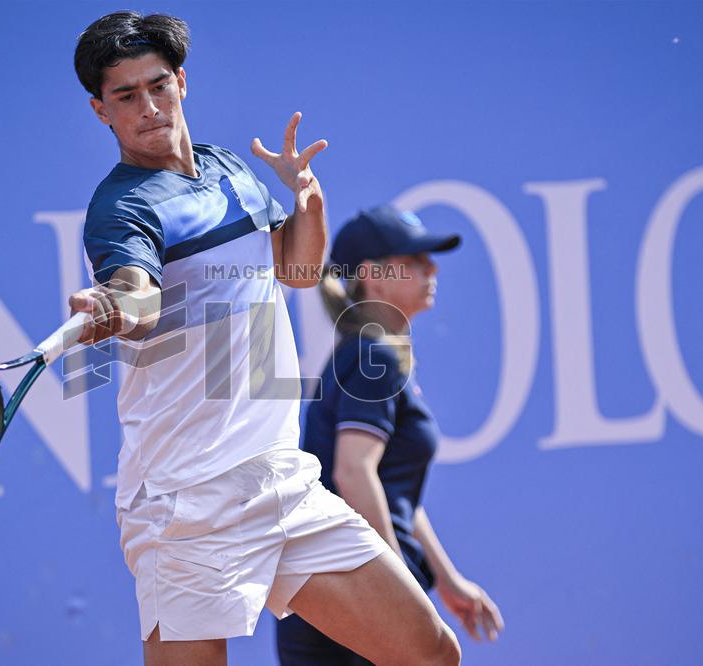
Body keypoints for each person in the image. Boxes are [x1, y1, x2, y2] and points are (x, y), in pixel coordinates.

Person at [67, 12, 460, 666]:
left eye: (158, 86)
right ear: (100, 109)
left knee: (429, 652)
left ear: (181, 82)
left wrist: (309, 200)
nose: (149, 108)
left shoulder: (229, 170)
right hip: (184, 505)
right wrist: (115, 305)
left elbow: (297, 271)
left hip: (281, 481)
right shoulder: (120, 209)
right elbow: (138, 295)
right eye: (126, 96)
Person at [276, 206, 505, 665]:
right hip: (353, 591)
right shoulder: (373, 357)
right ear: (372, 276)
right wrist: (397, 587)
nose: (431, 269)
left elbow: (393, 491)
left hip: (349, 586)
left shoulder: (373, 354)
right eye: (414, 259)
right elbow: (354, 472)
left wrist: (446, 580)